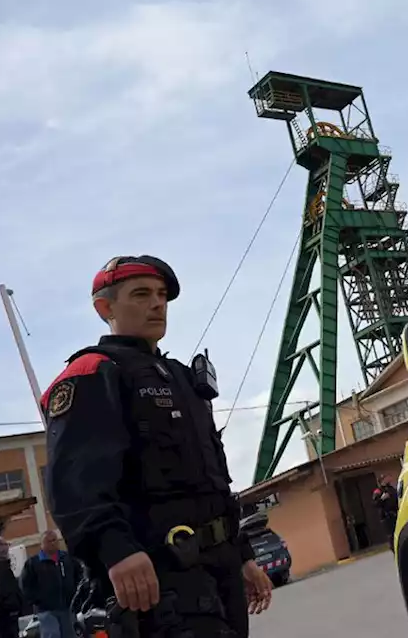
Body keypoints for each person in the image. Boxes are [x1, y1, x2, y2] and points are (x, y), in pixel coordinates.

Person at [41, 255, 274, 637]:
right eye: (141, 294)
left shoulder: (182, 379)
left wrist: (242, 556)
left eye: (162, 295)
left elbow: (210, 481)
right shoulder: (95, 373)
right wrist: (115, 550)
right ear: (105, 308)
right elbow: (75, 481)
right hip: (159, 576)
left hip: (219, 570)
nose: (157, 304)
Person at [20, 531, 82, 638]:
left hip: (67, 606)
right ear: (42, 544)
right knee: (52, 634)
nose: (53, 543)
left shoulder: (66, 558)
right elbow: (25, 585)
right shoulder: (33, 563)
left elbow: (79, 576)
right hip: (46, 609)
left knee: (70, 635)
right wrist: (38, 600)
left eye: (55, 540)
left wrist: (76, 594)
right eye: (49, 541)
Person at [0, 537, 24, 638]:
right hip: (6, 618)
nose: (8, 547)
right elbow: (6, 590)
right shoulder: (1, 567)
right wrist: (14, 608)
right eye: (5, 544)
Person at [372, 478, 399, 551]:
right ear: (381, 482)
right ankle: (394, 549)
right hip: (387, 517)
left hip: (396, 514)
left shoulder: (392, 489)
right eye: (384, 479)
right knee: (391, 536)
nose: (387, 480)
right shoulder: (378, 491)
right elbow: (375, 504)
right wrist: (382, 499)